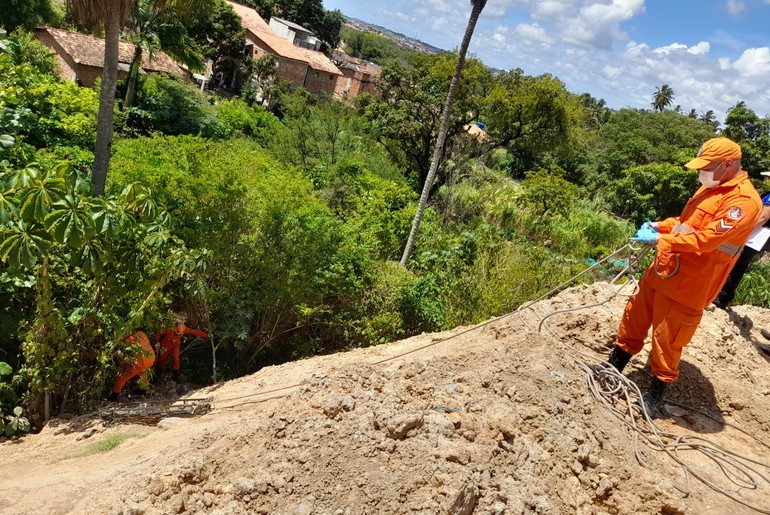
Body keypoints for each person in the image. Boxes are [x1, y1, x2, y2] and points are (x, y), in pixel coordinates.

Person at [601, 137, 762, 416]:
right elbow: (686, 224)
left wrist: (660, 242)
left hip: (691, 283)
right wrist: (659, 226)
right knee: (634, 318)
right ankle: (612, 367)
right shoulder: (711, 188)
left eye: (707, 166)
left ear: (728, 164)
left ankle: (655, 395)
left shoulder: (744, 202)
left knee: (668, 340)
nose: (702, 172)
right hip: (664, 269)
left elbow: (707, 240)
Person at [713, 185, 770, 309]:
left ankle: (721, 296)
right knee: (739, 265)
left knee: (736, 264)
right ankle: (722, 296)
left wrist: (744, 232)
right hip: (759, 236)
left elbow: (764, 217)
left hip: (755, 235)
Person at [109, 331, 155, 402]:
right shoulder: (141, 333)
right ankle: (142, 390)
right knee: (143, 372)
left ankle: (113, 396)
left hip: (141, 362)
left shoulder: (129, 340)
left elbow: (124, 359)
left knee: (121, 378)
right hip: (151, 358)